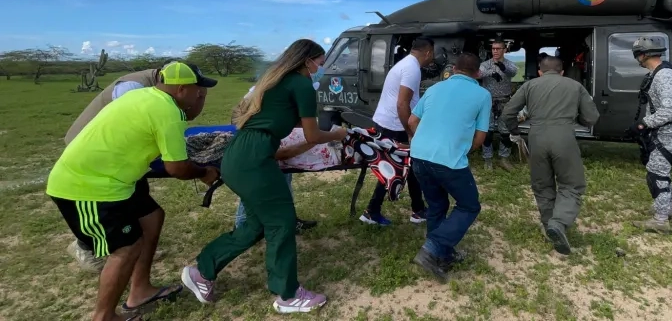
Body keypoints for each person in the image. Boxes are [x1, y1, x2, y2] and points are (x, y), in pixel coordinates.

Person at [180, 39, 348, 314]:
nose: (321, 68)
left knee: (256, 226)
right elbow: (313, 134)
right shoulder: (301, 83)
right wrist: (337, 134)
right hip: (255, 159)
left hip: (241, 155)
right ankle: (288, 294)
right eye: (320, 62)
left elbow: (289, 123)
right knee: (281, 222)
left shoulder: (275, 82)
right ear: (307, 61)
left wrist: (312, 132)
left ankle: (202, 271)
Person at [46, 62, 221, 321]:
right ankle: (104, 316)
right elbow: (176, 168)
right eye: (199, 92)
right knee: (125, 248)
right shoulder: (167, 110)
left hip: (117, 181)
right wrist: (204, 173)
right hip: (88, 186)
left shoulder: (144, 94)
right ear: (182, 88)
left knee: (151, 217)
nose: (200, 97)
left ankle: (140, 290)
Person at [64, 62, 185, 272]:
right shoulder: (132, 87)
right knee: (112, 205)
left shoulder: (152, 87)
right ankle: (85, 245)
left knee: (145, 206)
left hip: (109, 151)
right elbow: (130, 124)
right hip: (92, 152)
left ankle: (139, 249)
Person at [500, 56, 599, 255]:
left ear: (540, 72)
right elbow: (592, 117)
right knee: (572, 184)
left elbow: (508, 112)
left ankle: (548, 225)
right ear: (562, 72)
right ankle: (559, 223)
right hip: (564, 136)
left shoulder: (530, 85)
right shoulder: (575, 86)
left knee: (542, 184)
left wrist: (515, 131)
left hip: (537, 137)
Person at [408, 53, 491, 282]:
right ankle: (433, 247)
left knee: (437, 204)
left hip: (418, 157)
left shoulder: (434, 88)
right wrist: (463, 149)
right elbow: (480, 137)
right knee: (469, 205)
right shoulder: (483, 95)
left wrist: (425, 142)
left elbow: (412, 122)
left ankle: (441, 254)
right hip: (449, 160)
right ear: (478, 73)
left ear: (453, 69)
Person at [359, 37, 434, 226]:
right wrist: (410, 130)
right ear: (428, 52)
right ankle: (372, 211)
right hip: (394, 125)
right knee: (395, 168)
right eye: (432, 55)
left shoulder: (406, 64)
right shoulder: (412, 69)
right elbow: (402, 103)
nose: (431, 59)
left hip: (388, 122)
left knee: (408, 165)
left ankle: (417, 209)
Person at [232, 85, 318, 232]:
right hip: (255, 146)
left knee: (284, 178)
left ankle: (289, 221)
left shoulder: (286, 91)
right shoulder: (268, 95)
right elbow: (279, 152)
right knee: (253, 187)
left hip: (268, 138)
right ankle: (242, 225)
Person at [628, 37, 672, 233]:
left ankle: (661, 220)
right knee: (661, 171)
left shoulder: (663, 76)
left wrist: (644, 124)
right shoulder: (658, 73)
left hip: (667, 133)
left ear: (643, 55)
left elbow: (669, 111)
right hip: (662, 132)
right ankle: (669, 209)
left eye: (638, 55)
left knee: (656, 174)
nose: (638, 59)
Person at [478, 40, 519, 170]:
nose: (495, 51)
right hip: (488, 102)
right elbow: (479, 73)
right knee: (488, 131)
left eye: (498, 48)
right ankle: (488, 159)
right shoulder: (485, 64)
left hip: (504, 101)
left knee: (505, 132)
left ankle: (504, 158)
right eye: (493, 48)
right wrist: (491, 72)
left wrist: (503, 67)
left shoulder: (509, 64)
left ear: (504, 50)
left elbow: (513, 72)